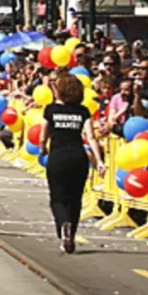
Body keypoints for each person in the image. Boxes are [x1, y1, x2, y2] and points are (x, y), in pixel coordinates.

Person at [40, 74, 104, 253]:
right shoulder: (83, 111)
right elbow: (90, 137)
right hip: (78, 157)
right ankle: (72, 234)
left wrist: (42, 149)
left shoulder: (50, 110)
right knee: (75, 199)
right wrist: (99, 161)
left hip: (58, 156)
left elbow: (43, 135)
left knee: (58, 198)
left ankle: (64, 227)